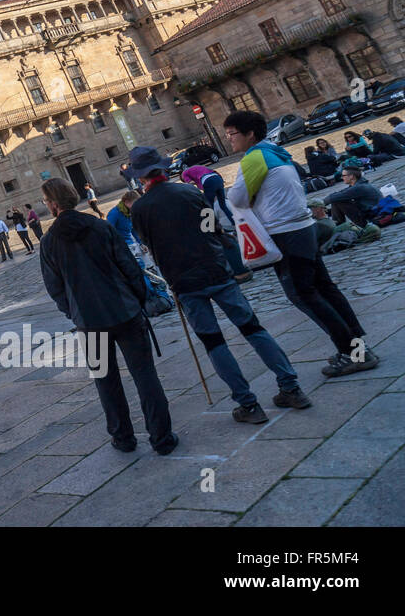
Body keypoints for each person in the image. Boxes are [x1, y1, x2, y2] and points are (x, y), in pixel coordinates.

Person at [128, 145, 311, 423]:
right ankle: (291, 387)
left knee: (214, 342)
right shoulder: (190, 192)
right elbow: (211, 227)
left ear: (140, 177)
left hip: (184, 280)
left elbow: (145, 242)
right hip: (215, 269)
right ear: (163, 168)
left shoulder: (140, 208)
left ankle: (248, 405)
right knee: (252, 327)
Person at [223, 111, 378, 378]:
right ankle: (357, 345)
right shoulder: (276, 152)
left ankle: (354, 352)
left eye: (232, 133)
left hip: (286, 233)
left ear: (250, 134)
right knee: (325, 289)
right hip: (303, 228)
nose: (229, 139)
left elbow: (236, 199)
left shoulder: (254, 157)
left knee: (303, 294)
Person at [38, 178, 178, 455]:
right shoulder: (100, 227)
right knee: (145, 375)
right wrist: (137, 300)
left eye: (45, 202)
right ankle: (161, 438)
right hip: (124, 311)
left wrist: (75, 312)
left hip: (89, 321)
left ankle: (123, 437)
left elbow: (55, 288)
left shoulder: (49, 242)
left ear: (53, 204)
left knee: (106, 381)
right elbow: (130, 268)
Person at [180, 164, 253, 283]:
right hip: (217, 179)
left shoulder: (185, 173)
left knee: (208, 207)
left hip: (209, 181)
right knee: (223, 205)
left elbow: (190, 187)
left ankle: (212, 227)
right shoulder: (198, 169)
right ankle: (234, 223)